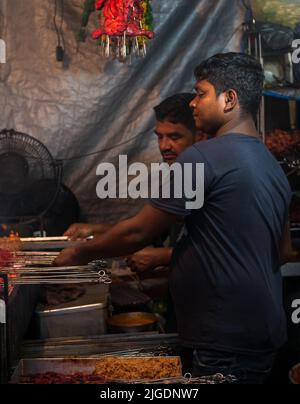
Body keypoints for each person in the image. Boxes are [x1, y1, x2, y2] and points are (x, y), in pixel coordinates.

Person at [55, 53, 295, 384]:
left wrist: (79, 253)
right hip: (263, 332)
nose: (194, 104)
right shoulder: (272, 166)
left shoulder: (203, 156)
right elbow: (281, 252)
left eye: (201, 93)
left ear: (229, 100)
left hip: (224, 339)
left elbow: (138, 231)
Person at [65, 93, 199, 272]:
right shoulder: (181, 172)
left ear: (200, 135)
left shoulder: (202, 173)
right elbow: (152, 228)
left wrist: (165, 255)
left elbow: (138, 234)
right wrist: (97, 230)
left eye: (175, 137)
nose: (164, 146)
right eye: (160, 137)